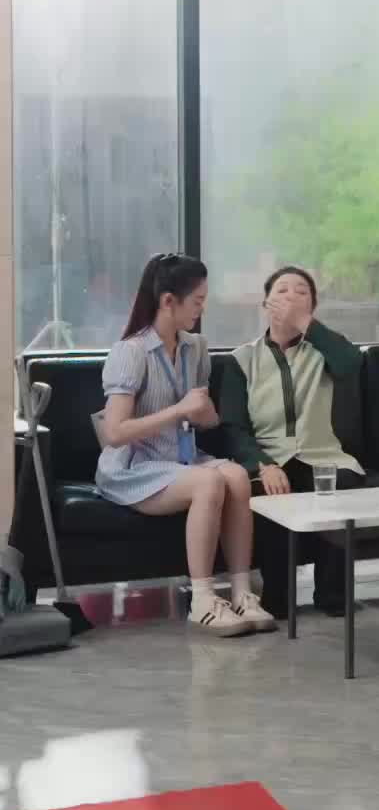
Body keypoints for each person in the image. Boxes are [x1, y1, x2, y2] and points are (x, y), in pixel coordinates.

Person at [96, 253, 277, 638]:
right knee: (209, 482)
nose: (202, 308)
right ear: (168, 301)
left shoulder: (196, 348)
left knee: (237, 477)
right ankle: (203, 600)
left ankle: (242, 593)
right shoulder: (131, 352)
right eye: (197, 300)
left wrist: (204, 413)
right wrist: (178, 409)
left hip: (182, 460)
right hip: (134, 467)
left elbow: (205, 420)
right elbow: (114, 432)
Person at [218, 266, 364, 618]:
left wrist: (305, 324)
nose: (291, 297)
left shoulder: (324, 351)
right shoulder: (242, 359)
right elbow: (233, 428)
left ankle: (333, 596)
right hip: (270, 460)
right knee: (270, 494)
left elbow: (352, 364)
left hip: (323, 456)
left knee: (342, 486)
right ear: (266, 304)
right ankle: (277, 599)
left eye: (302, 292)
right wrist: (262, 465)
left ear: (312, 307)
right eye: (282, 290)